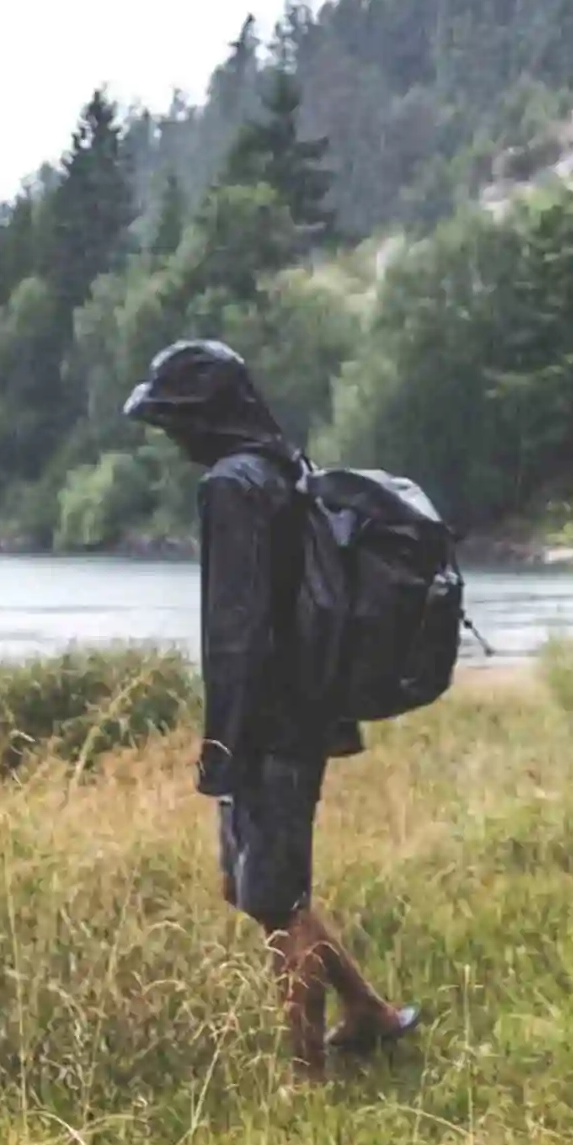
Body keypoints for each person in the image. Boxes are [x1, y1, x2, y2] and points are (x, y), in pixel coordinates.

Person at [124, 339, 419, 1081]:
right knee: (252, 889)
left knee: (279, 902)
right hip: (302, 707)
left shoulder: (232, 485)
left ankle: (307, 1078)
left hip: (271, 721)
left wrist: (223, 741)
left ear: (203, 417)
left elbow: (237, 629)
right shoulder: (284, 467)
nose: (171, 437)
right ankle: (369, 1012)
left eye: (174, 421)